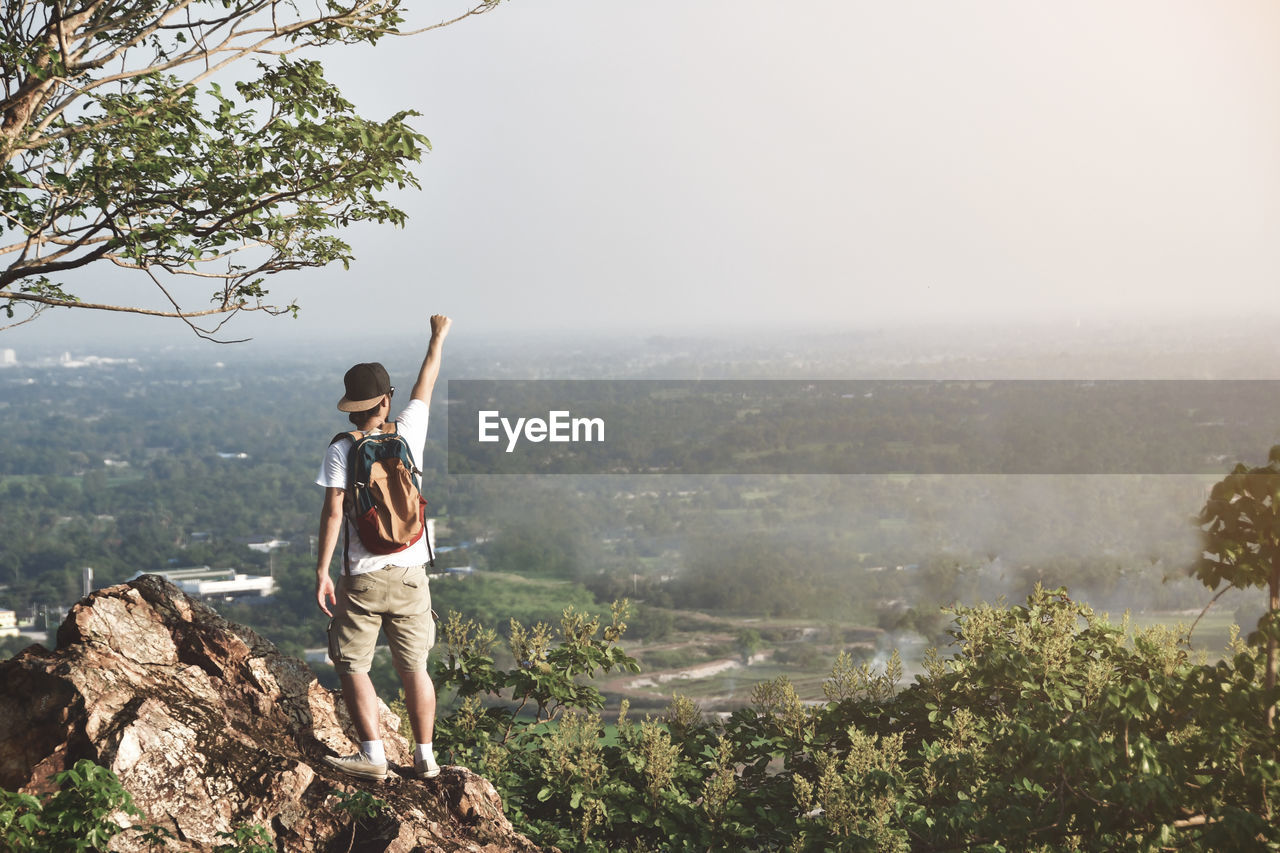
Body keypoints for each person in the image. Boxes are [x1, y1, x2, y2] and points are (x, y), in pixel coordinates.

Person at [315, 313, 452, 782]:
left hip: (364, 577)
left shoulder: (342, 448)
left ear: (353, 406)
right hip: (413, 571)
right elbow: (427, 380)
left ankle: (372, 755)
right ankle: (426, 757)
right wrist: (437, 337)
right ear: (387, 399)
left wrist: (322, 573)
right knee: (415, 667)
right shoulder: (409, 431)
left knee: (352, 662)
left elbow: (334, 513)